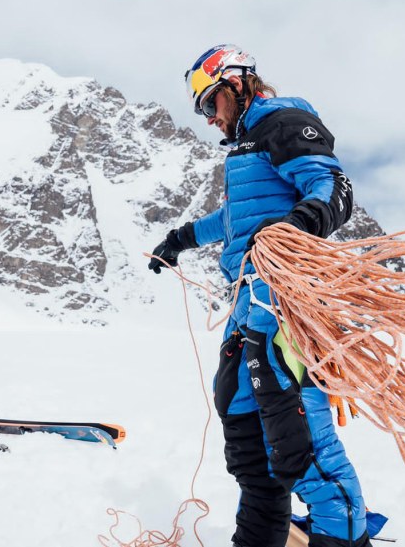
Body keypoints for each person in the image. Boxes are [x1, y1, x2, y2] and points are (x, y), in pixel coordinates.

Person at [148, 45, 371, 547]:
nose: (209, 120)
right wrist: (180, 240)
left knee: (301, 445)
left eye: (209, 105)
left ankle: (345, 537)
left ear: (235, 83)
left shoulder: (285, 122)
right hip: (247, 302)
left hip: (285, 300)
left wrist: (292, 231)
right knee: (246, 432)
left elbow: (333, 189)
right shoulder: (248, 147)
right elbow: (234, 221)